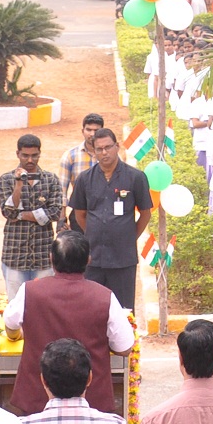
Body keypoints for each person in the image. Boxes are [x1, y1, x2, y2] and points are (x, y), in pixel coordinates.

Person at [4, 232, 136, 416]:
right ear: (88, 260)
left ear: (51, 258)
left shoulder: (29, 291)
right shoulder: (104, 297)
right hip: (91, 401)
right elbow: (124, 348)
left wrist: (20, 334)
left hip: (38, 398)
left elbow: (10, 327)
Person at [67, 127, 153, 309]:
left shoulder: (135, 177)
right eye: (99, 149)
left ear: (117, 147)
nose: (104, 152)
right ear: (94, 151)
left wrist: (129, 236)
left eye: (108, 147)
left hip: (123, 259)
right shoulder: (84, 179)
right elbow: (79, 214)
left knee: (123, 311)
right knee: (91, 309)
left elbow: (145, 213)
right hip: (93, 259)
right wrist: (93, 233)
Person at [0, 135, 66, 301]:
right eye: (25, 155)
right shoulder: (6, 180)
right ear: (18, 154)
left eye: (34, 155)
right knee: (16, 304)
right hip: (15, 254)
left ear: (39, 154)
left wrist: (21, 214)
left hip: (43, 255)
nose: (30, 160)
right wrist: (18, 185)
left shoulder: (51, 180)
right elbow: (8, 213)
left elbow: (55, 213)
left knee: (44, 304)